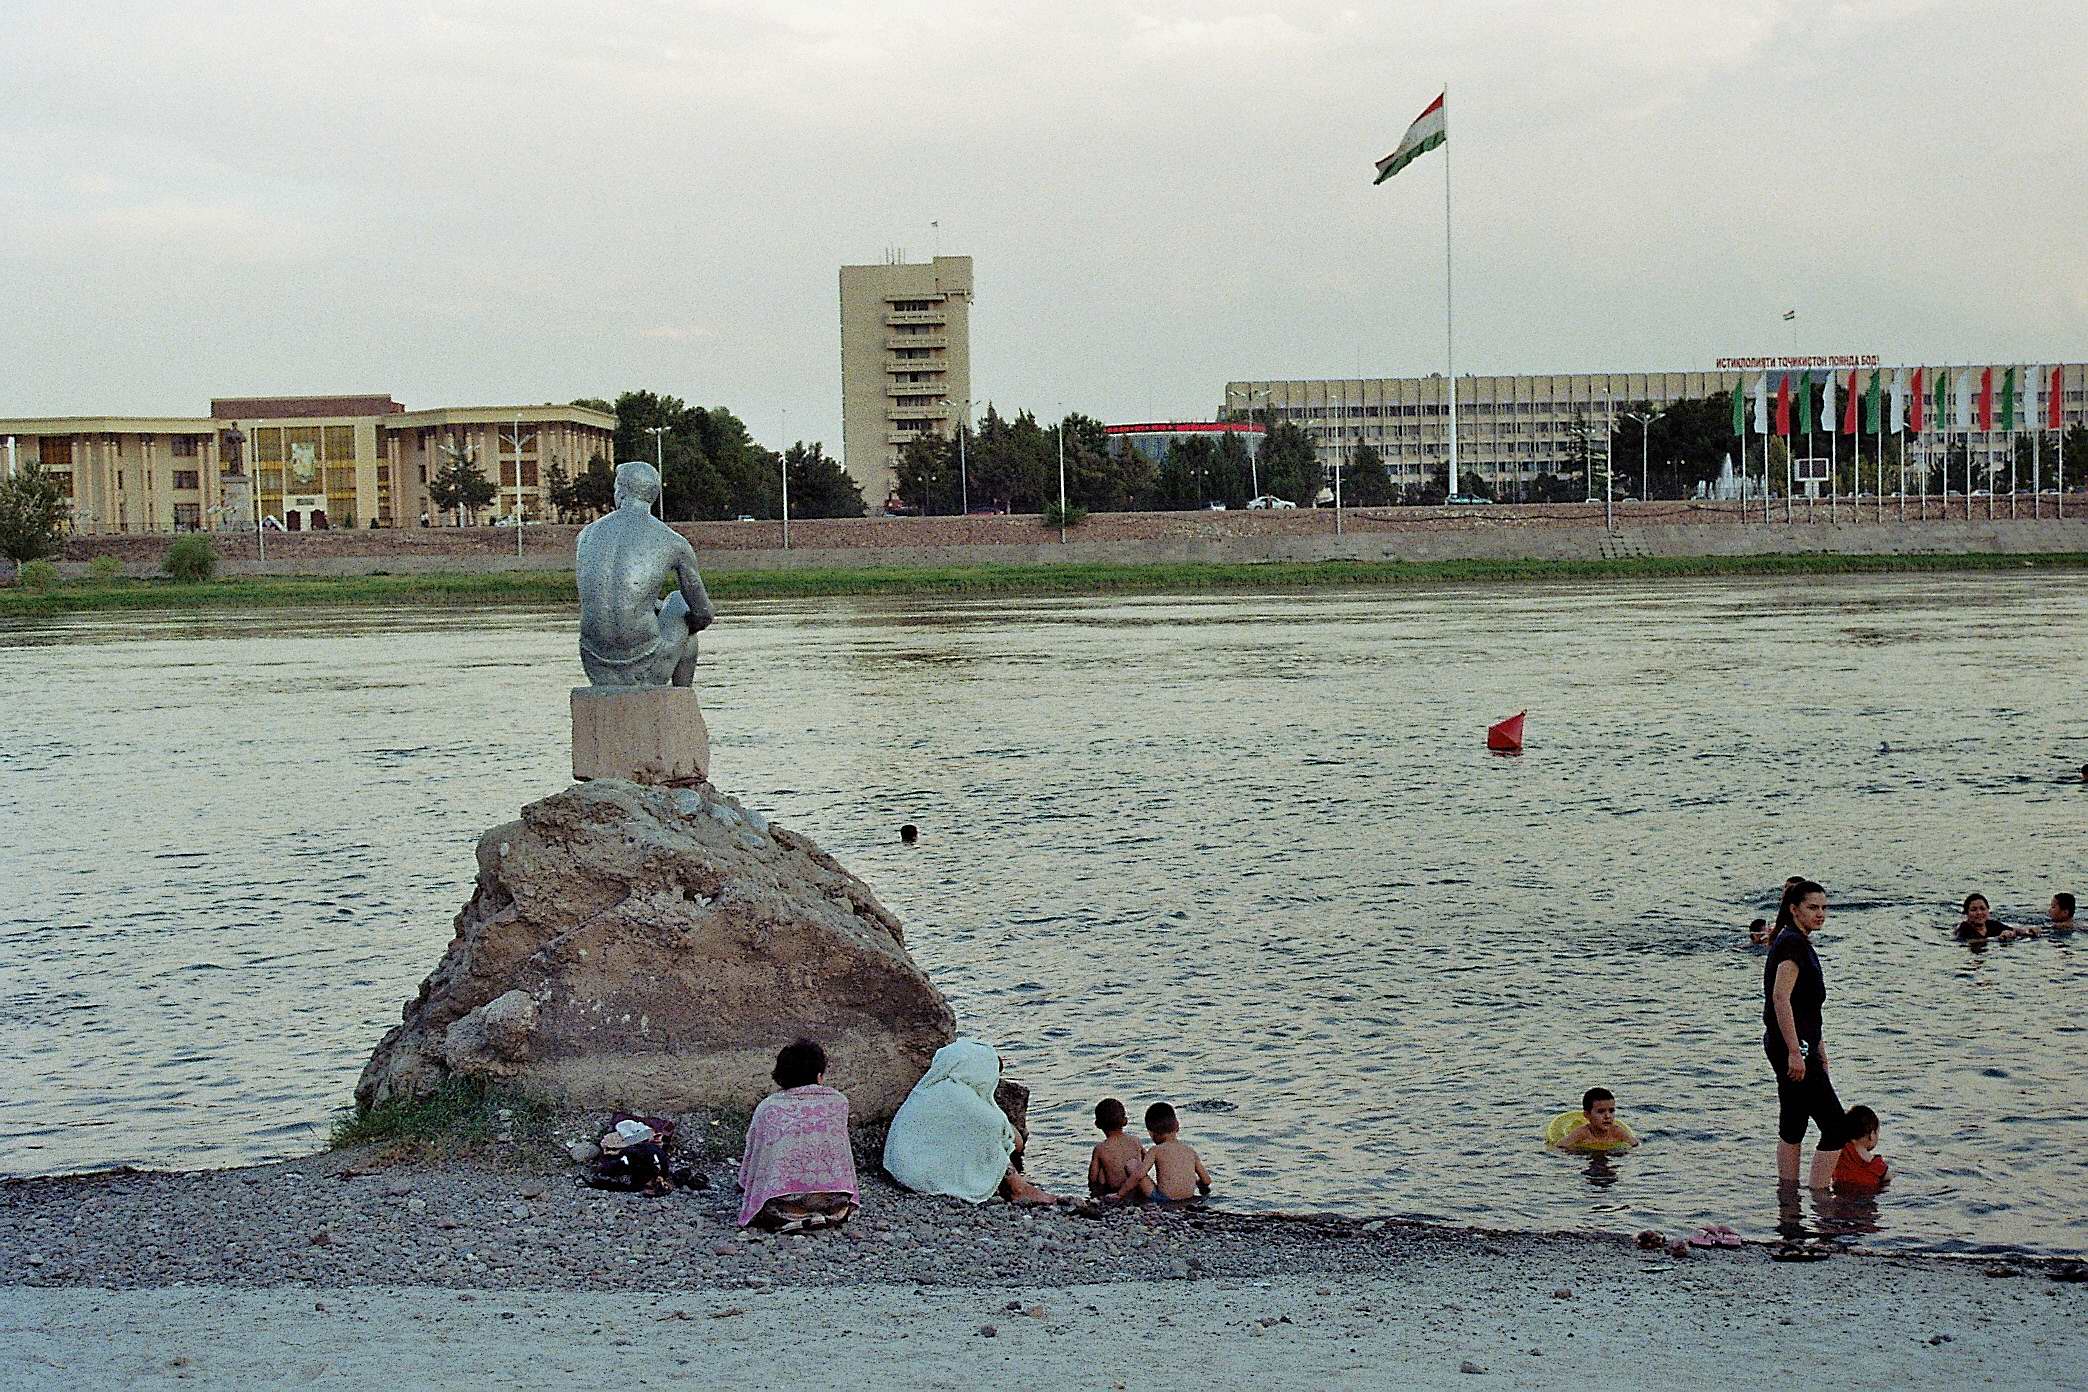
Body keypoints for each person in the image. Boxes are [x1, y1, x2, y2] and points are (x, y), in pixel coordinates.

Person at [575, 460, 714, 687]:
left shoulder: (586, 535)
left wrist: (652, 607)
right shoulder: (673, 541)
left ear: (620, 491)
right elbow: (703, 613)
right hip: (646, 668)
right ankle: (681, 701)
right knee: (679, 602)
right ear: (653, 495)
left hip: (595, 666)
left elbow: (608, 596)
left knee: (664, 608)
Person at [882, 1038, 1056, 1205]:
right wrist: (1006, 1127)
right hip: (920, 1176)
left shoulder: (931, 1090)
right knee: (989, 1135)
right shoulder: (959, 1096)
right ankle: (1018, 1188)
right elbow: (1015, 1142)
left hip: (901, 1169)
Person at [1764, 878, 1847, 1188]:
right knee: (1836, 1127)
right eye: (1813, 907)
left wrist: (1820, 1047)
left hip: (1793, 1042)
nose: (1820, 913)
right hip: (1790, 1045)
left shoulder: (1794, 940)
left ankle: (1788, 1198)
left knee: (1794, 1122)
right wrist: (1795, 1052)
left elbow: (1808, 1006)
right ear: (1794, 909)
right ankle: (1819, 1194)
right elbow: (1780, 998)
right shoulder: (1792, 944)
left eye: (1824, 908)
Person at [736, 1039, 859, 1231]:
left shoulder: (769, 1107)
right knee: (832, 1201)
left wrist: (745, 1183)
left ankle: (793, 1215)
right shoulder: (838, 1102)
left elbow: (754, 1149)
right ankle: (825, 1214)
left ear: (781, 1076)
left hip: (784, 1199)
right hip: (835, 1198)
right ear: (819, 1076)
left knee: (773, 1204)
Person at [1114, 1102, 1212, 1205]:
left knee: (1132, 1165)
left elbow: (1139, 1175)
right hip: (1189, 1197)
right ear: (1177, 1125)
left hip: (1164, 1199)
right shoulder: (1190, 1151)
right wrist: (1198, 1184)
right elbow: (1207, 1180)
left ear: (1152, 1133)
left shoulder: (1155, 1150)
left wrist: (1120, 1194)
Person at [1086, 1097, 1145, 1200]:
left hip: (1115, 1190)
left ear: (1097, 1124)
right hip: (1138, 1188)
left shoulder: (1100, 1148)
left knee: (1101, 1172)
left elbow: (1093, 1179)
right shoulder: (1135, 1141)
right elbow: (1146, 1162)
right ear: (1125, 1121)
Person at [1554, 1087, 1640, 1151]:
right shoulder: (1583, 1133)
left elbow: (1635, 1144)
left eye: (1611, 1111)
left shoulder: (1617, 1132)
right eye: (1601, 1111)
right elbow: (1560, 1146)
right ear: (1587, 1115)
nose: (1607, 1116)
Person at [1831, 1105, 1890, 1192]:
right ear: (1872, 1135)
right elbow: (1888, 1177)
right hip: (1865, 1198)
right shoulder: (1876, 1164)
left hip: (1840, 1193)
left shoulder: (1839, 1151)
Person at [1955, 893, 2028, 943]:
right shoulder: (1963, 929)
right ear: (1966, 913)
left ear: (1988, 910)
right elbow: (1970, 941)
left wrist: (2029, 931)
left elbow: (2014, 930)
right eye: (1973, 910)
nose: (1979, 913)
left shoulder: (1992, 924)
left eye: (1982, 909)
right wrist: (1997, 939)